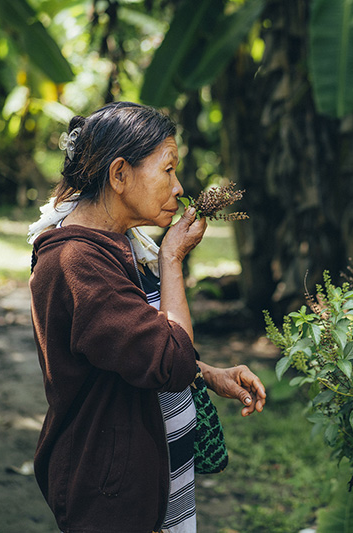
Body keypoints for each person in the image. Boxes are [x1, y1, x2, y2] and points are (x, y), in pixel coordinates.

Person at [27, 101, 267, 533]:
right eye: (168, 170)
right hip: (113, 494)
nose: (179, 187)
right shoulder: (76, 263)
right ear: (119, 175)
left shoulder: (123, 245)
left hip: (153, 480)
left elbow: (133, 350)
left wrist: (208, 374)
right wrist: (172, 258)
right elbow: (169, 361)